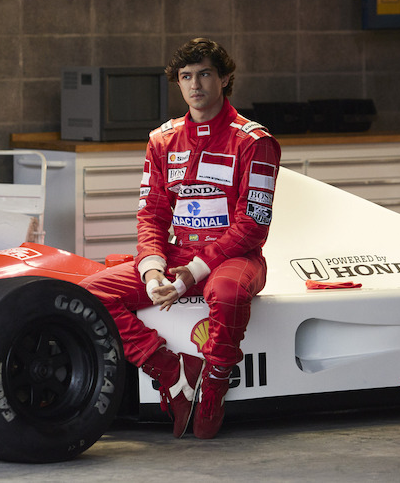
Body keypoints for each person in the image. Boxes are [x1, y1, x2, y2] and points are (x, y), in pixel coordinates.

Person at [80, 37, 281, 439]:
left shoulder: (256, 142)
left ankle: (215, 385)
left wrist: (190, 274)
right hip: (178, 253)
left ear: (224, 78)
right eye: (186, 77)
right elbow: (151, 215)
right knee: (92, 294)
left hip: (236, 258)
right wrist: (153, 270)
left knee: (226, 294)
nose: (195, 85)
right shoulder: (162, 140)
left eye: (205, 73)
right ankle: (169, 369)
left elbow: (251, 227)